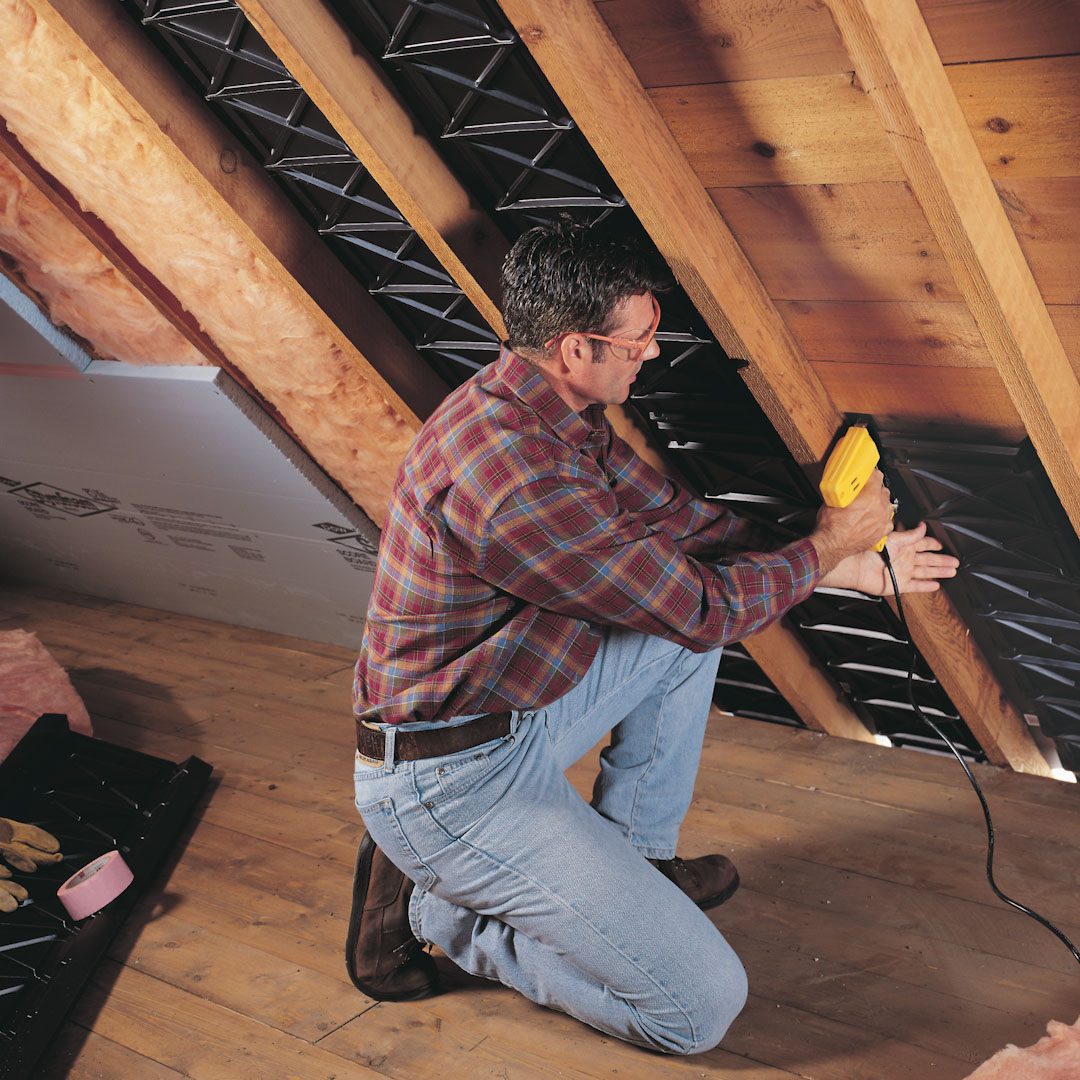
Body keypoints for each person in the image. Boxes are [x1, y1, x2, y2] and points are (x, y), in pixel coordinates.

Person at [345, 218, 958, 1055]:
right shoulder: (511, 478)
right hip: (450, 785)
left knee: (679, 637)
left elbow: (681, 525)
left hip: (509, 714)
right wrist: (826, 550)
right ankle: (442, 916)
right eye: (639, 342)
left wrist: (835, 564)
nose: (653, 354)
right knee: (698, 1010)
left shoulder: (553, 410)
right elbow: (702, 606)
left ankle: (636, 861)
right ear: (573, 348)